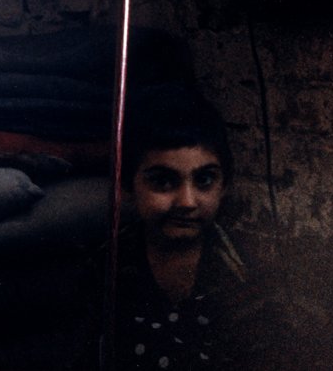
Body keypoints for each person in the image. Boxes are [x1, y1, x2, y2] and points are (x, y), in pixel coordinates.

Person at [113, 84, 280, 370]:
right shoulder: (107, 268)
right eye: (163, 181)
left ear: (224, 184)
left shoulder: (246, 275)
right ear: (128, 185)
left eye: (204, 180)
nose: (187, 202)